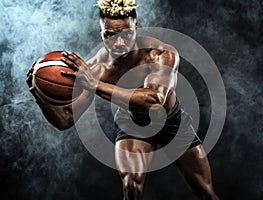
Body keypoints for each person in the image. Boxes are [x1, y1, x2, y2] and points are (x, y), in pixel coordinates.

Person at [26, 0, 219, 199]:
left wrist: (95, 85)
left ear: (136, 27)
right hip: (133, 123)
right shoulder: (97, 68)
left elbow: (154, 101)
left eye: (126, 34)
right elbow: (65, 119)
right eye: (109, 35)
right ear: (101, 31)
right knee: (131, 188)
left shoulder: (159, 53)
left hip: (171, 120)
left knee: (205, 192)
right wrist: (39, 95)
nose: (118, 43)